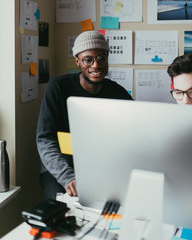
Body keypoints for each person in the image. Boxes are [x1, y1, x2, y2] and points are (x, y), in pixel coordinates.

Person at [36, 30, 133, 199]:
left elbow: (137, 130)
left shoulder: (117, 92)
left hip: (100, 168)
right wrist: (68, 176)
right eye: (88, 59)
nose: (96, 65)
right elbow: (44, 139)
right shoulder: (58, 87)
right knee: (63, 213)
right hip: (60, 167)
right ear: (77, 62)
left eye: (101, 58)